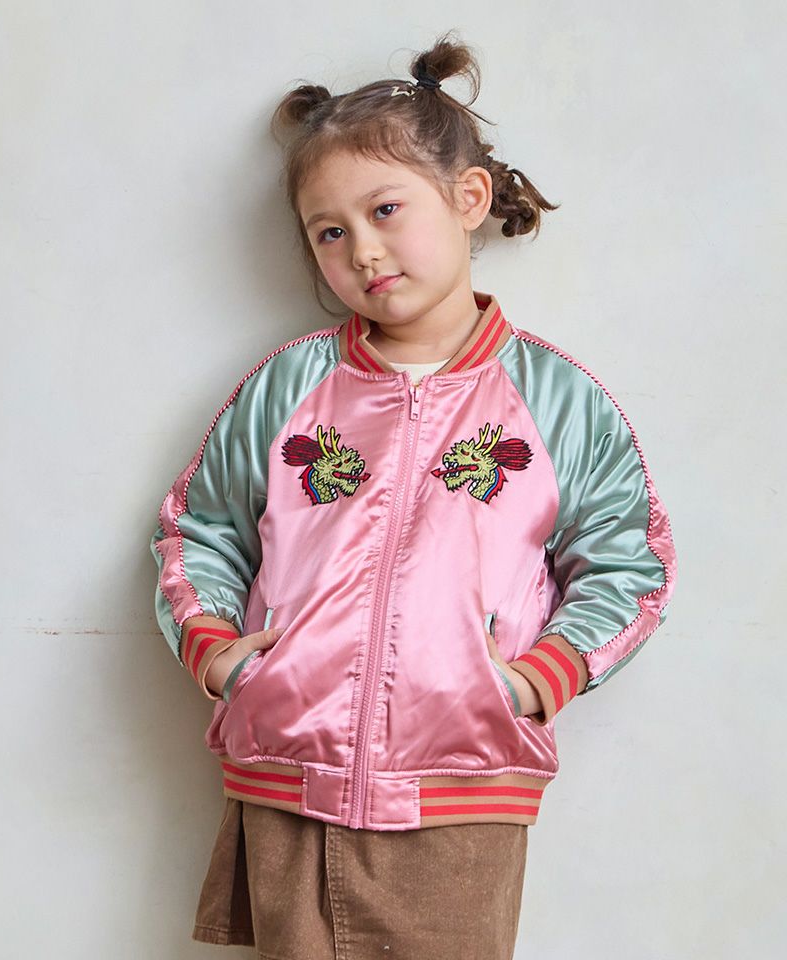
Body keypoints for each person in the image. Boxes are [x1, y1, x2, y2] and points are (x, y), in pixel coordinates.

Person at [149, 30, 678, 960]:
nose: (363, 249)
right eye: (330, 231)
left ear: (468, 199)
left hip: (465, 789)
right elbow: (201, 531)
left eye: (386, 209)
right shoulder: (288, 387)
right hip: (288, 771)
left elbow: (630, 565)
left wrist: (530, 680)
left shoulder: (557, 401)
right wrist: (222, 657)